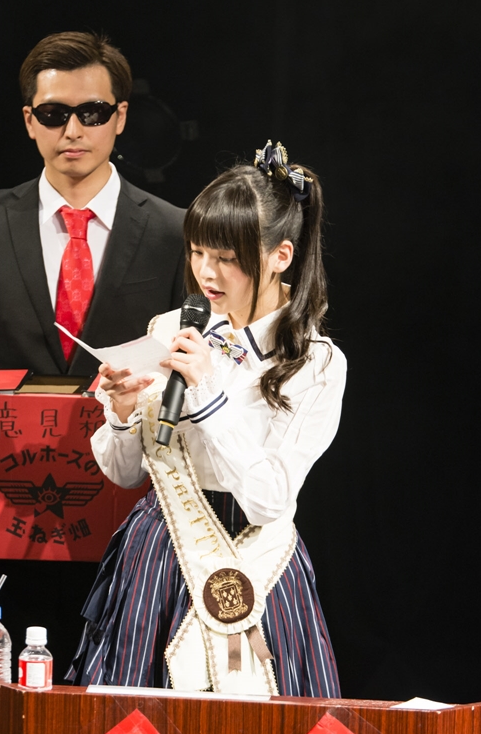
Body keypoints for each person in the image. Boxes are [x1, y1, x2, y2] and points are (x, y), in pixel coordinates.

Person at [0, 31, 186, 674]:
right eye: (54, 112)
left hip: (127, 516)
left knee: (114, 705)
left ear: (120, 117)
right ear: (29, 120)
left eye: (92, 112)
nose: (74, 129)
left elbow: (191, 369)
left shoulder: (174, 230)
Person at [67, 141, 346, 697]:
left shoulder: (315, 363)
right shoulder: (173, 327)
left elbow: (269, 500)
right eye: (197, 252)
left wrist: (210, 393)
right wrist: (122, 412)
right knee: (135, 733)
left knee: (253, 732)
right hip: (158, 554)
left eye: (226, 258)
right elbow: (125, 473)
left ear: (280, 256)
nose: (206, 273)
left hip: (255, 562)